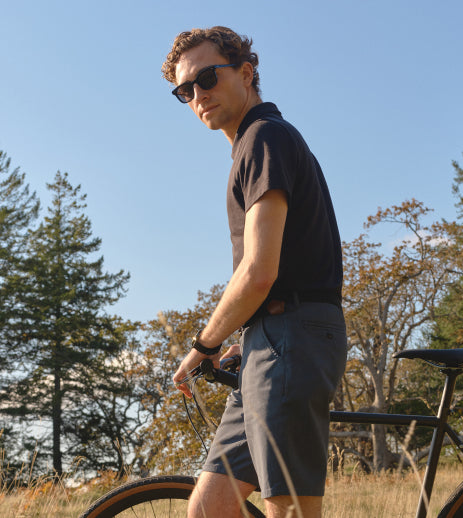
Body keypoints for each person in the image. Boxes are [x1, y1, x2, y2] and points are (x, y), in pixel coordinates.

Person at [163, 26, 347, 518]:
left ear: (246, 73)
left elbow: (259, 271)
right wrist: (247, 337)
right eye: (185, 91)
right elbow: (282, 270)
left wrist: (202, 345)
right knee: (209, 508)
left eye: (207, 78)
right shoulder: (252, 144)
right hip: (270, 341)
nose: (198, 95)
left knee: (288, 511)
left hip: (292, 339)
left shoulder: (265, 137)